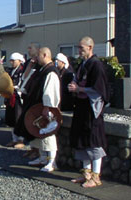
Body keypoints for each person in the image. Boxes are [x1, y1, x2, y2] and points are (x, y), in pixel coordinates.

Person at [68, 36, 109, 188]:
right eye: (78, 48)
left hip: (91, 109)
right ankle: (86, 173)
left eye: (81, 48)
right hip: (81, 107)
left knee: (93, 141)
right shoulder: (83, 64)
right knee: (81, 140)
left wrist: (79, 89)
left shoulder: (96, 65)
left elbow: (99, 90)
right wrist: (74, 85)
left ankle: (96, 176)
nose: (79, 51)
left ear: (90, 48)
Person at [15, 47, 61, 172]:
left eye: (38, 56)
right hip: (37, 107)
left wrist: (47, 107)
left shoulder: (51, 71)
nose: (36, 58)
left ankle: (52, 161)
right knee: (38, 133)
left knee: (48, 133)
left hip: (45, 108)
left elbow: (50, 92)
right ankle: (42, 157)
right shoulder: (42, 70)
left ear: (45, 55)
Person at [19, 43, 41, 159]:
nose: (28, 49)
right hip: (26, 95)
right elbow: (24, 77)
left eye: (30, 48)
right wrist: (29, 66)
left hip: (35, 97)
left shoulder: (40, 63)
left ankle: (38, 150)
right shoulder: (29, 62)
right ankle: (32, 148)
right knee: (28, 123)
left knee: (35, 124)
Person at [5, 52, 25, 149]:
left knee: (18, 118)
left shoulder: (22, 71)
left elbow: (22, 84)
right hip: (10, 96)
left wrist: (13, 87)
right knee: (11, 118)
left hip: (18, 97)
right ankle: (14, 139)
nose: (12, 62)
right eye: (11, 61)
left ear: (19, 61)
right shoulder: (11, 71)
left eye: (14, 60)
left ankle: (21, 139)